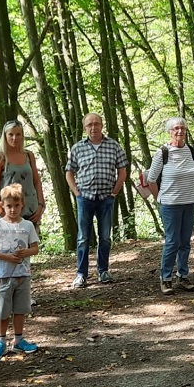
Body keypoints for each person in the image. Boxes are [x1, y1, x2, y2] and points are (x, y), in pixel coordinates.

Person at [65, 113, 128, 289]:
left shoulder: (113, 145)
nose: (93, 127)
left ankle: (103, 270)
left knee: (105, 237)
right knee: (83, 238)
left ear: (102, 126)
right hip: (85, 198)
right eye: (89, 125)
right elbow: (69, 172)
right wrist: (76, 192)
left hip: (106, 198)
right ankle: (81, 274)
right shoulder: (77, 148)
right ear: (85, 128)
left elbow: (122, 171)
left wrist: (114, 192)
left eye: (96, 124)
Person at [0, 184, 40, 359]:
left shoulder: (28, 225)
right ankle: (0, 341)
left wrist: (25, 253)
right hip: (4, 274)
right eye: (9, 206)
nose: (13, 209)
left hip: (23, 273)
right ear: (2, 205)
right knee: (3, 309)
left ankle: (19, 339)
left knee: (20, 308)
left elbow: (35, 248)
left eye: (16, 205)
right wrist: (5, 257)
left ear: (22, 204)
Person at [147, 118, 194, 295]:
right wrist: (159, 199)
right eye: (176, 128)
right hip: (170, 205)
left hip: (190, 202)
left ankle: (183, 276)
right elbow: (151, 180)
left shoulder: (191, 150)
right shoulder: (163, 152)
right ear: (169, 131)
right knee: (172, 242)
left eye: (182, 128)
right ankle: (166, 278)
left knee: (185, 242)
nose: (179, 131)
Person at [0, 120, 46, 230]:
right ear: (5, 136)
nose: (14, 138)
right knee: (10, 246)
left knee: (31, 246)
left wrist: (40, 205)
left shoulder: (29, 155)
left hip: (31, 211)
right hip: (9, 211)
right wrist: (1, 211)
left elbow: (37, 181)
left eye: (18, 134)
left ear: (22, 136)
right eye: (11, 134)